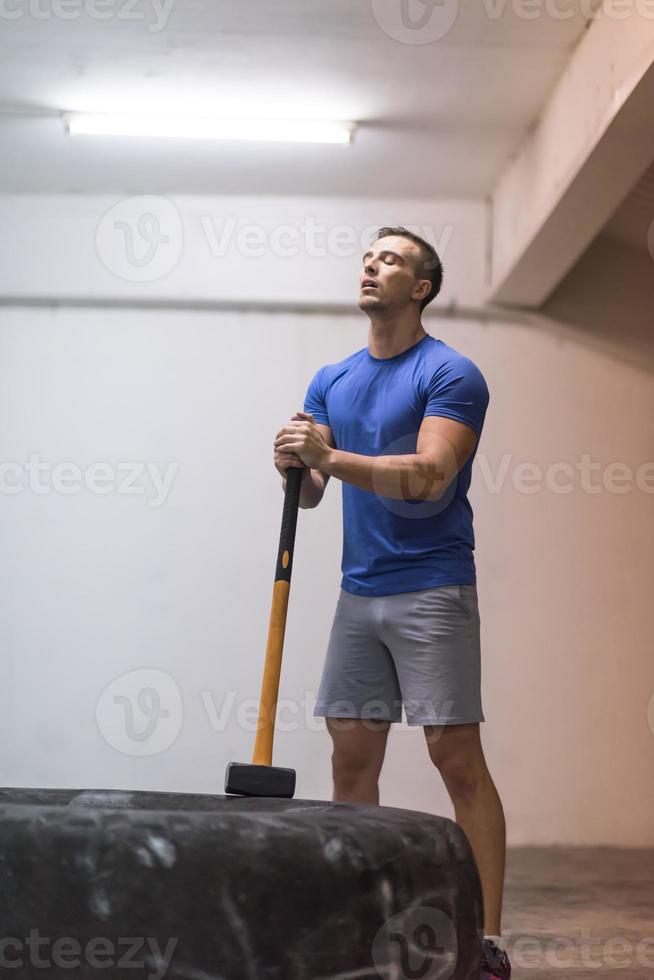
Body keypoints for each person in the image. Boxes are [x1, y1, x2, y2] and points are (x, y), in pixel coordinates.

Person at [273, 226, 511, 980]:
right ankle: (360, 926)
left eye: (392, 260)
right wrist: (295, 466)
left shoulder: (450, 373)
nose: (372, 266)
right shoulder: (332, 378)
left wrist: (328, 460)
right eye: (369, 257)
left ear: (422, 287)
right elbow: (313, 493)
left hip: (434, 585)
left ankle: (486, 938)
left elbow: (429, 475)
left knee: (454, 756)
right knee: (351, 761)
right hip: (360, 592)